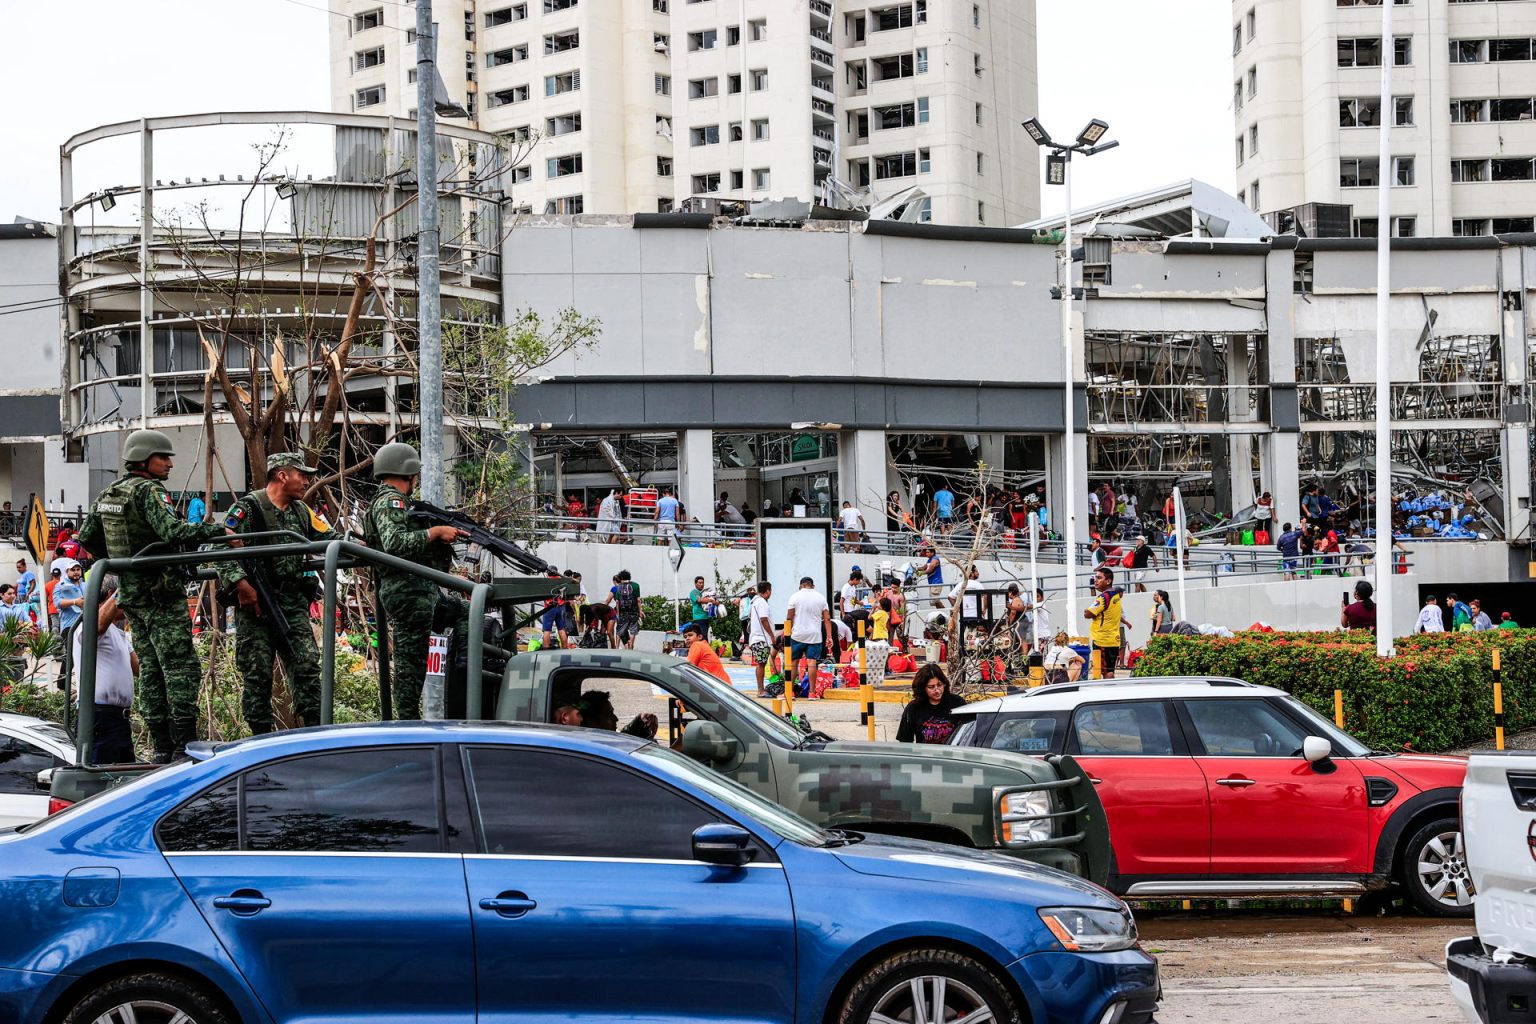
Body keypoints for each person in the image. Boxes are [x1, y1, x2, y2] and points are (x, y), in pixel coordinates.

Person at [76, 429, 225, 759]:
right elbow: (174, 532)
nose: (169, 463)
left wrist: (124, 563)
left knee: (152, 672)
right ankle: (185, 745)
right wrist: (218, 529)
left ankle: (160, 747)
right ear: (144, 459)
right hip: (162, 594)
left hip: (132, 597)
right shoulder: (150, 492)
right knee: (181, 668)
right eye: (163, 457)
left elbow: (87, 538)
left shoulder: (108, 494)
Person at [214, 453, 332, 733]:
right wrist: (241, 584)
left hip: (291, 603)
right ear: (282, 476)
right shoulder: (249, 508)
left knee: (306, 667)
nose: (306, 481)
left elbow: (326, 537)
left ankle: (314, 734)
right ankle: (261, 741)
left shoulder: (301, 512)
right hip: (255, 607)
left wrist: (355, 542)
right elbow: (219, 545)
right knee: (257, 675)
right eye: (301, 475)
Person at [361, 442, 471, 720]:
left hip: (421, 593)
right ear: (408, 473)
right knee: (411, 667)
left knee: (468, 613)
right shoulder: (391, 501)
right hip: (408, 594)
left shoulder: (400, 503)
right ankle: (407, 725)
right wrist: (435, 532)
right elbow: (395, 543)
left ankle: (465, 669)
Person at [73, 578, 138, 764]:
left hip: (119, 719)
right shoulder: (87, 624)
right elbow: (97, 625)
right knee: (101, 779)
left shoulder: (118, 633)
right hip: (99, 716)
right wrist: (125, 587)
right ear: (112, 596)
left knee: (123, 779)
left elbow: (138, 667)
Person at [782, 576, 832, 693]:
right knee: (812, 662)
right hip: (815, 635)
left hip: (797, 634)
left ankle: (789, 692)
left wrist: (787, 633)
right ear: (813, 586)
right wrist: (829, 636)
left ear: (801, 585)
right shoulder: (821, 597)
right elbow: (827, 618)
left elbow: (789, 617)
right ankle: (812, 692)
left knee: (794, 662)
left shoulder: (795, 596)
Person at [896, 664, 968, 744]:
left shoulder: (957, 703)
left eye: (939, 685)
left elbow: (970, 732)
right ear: (922, 688)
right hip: (924, 755)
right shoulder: (914, 708)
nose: (937, 690)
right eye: (931, 687)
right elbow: (905, 741)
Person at [1083, 566, 1124, 676]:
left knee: (1106, 673)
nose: (1096, 580)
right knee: (1109, 671)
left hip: (1102, 640)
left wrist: (1086, 610)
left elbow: (1088, 614)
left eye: (1099, 578)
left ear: (1108, 581)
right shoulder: (1115, 595)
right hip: (1113, 639)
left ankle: (1108, 691)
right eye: (1095, 577)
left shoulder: (1104, 597)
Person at [746, 581, 776, 696]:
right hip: (761, 638)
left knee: (761, 663)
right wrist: (772, 635)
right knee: (761, 664)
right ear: (768, 591)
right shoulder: (762, 602)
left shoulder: (754, 602)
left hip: (756, 638)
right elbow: (764, 619)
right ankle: (761, 690)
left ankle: (761, 689)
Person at [607, 570, 642, 649]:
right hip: (634, 612)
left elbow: (617, 602)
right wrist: (640, 611)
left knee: (619, 630)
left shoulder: (618, 587)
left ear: (621, 578)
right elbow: (638, 600)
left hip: (622, 613)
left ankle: (616, 646)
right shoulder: (636, 585)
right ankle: (631, 645)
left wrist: (618, 614)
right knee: (633, 630)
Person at [867, 596, 893, 688]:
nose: (878, 605)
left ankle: (884, 670)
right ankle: (886, 669)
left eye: (879, 604)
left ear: (882, 606)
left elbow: (869, 617)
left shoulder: (880, 613)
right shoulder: (885, 613)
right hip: (883, 635)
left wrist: (873, 608)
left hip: (878, 636)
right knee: (883, 654)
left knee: (878, 654)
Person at [1032, 588, 1051, 652]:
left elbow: (1030, 607)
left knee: (1040, 655)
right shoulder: (1037, 606)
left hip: (1042, 635)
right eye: (1033, 597)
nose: (1035, 599)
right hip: (1039, 635)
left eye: (1037, 596)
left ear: (1042, 598)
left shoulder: (1041, 605)